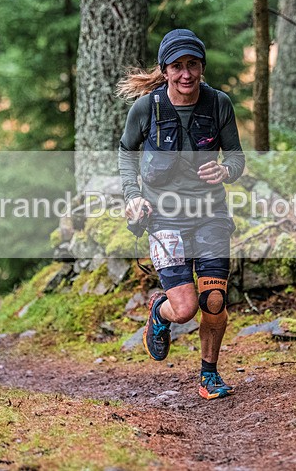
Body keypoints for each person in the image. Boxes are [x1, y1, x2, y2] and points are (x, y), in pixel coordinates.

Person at [117, 29, 245, 400]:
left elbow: (236, 157)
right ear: (165, 70)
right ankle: (161, 311)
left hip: (210, 215)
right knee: (185, 309)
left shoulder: (219, 104)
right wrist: (133, 196)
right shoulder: (147, 108)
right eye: (177, 66)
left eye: (193, 65)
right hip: (163, 219)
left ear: (202, 67)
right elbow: (126, 153)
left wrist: (225, 171)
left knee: (214, 301)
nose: (186, 74)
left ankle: (209, 375)